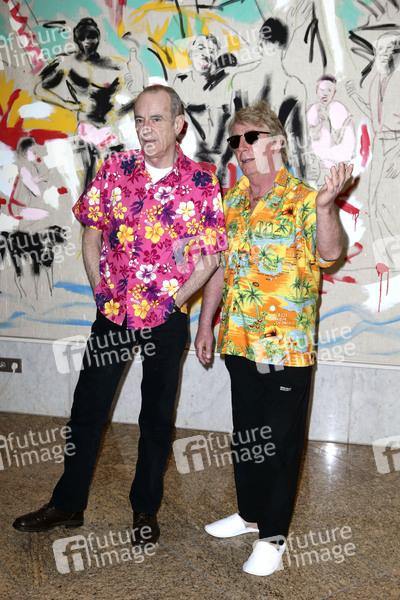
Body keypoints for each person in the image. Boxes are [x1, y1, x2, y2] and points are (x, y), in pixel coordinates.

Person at [13, 84, 227, 546]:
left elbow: (210, 257)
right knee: (86, 410)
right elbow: (91, 229)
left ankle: (145, 509)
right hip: (113, 312)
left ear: (178, 125)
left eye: (156, 119)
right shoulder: (115, 168)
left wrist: (173, 303)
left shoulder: (202, 180)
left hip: (166, 318)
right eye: (140, 120)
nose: (146, 129)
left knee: (156, 418)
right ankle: (68, 504)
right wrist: (98, 288)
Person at [195, 100, 353, 576]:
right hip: (238, 340)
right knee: (247, 436)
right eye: (234, 140)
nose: (241, 147)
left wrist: (326, 207)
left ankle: (273, 537)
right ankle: (249, 515)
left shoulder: (306, 198)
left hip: (286, 348)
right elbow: (219, 268)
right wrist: (205, 323)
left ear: (277, 142)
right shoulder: (232, 202)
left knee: (280, 443)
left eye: (250, 137)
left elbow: (330, 253)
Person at [307, 75, 355, 185]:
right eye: (322, 90)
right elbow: (310, 136)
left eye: (329, 90)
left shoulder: (340, 109)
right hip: (316, 164)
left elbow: (340, 140)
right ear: (316, 90)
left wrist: (328, 121)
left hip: (335, 163)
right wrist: (320, 122)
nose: (325, 94)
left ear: (334, 92)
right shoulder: (312, 110)